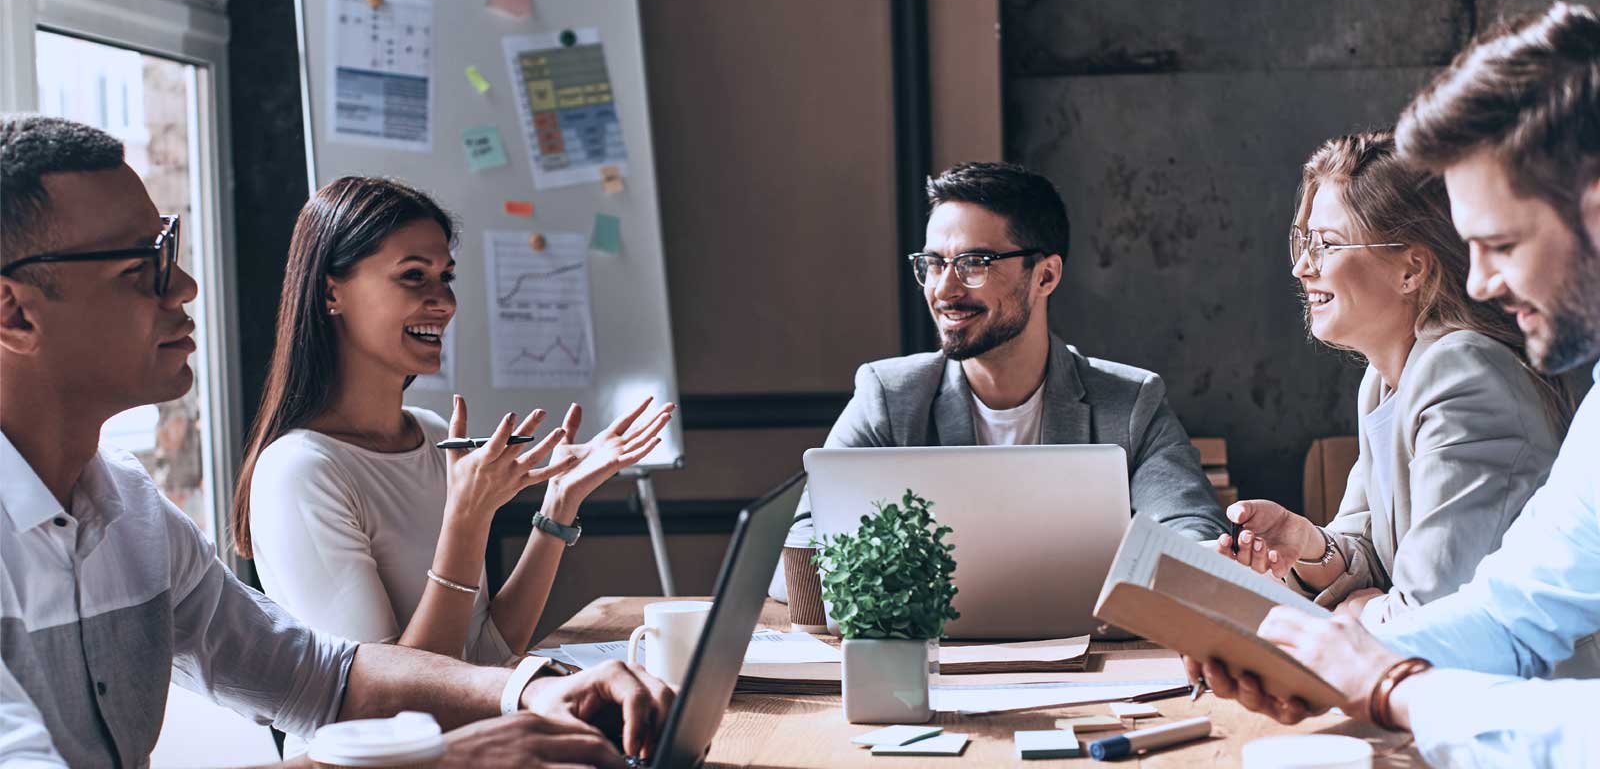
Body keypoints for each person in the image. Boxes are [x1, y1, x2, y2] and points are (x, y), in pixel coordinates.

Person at [0, 114, 671, 768]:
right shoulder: (296, 467)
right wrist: (436, 754)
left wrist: (533, 690)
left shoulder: (133, 512)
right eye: (141, 265)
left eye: (169, 248)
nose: (185, 285)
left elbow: (322, 679)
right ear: (14, 312)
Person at [1189, 2, 1600, 767]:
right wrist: (1305, 654)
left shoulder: (1461, 366)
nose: (1478, 281)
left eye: (1502, 243)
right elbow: (1511, 614)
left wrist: (1382, 675)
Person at [233, 177, 671, 686]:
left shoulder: (432, 432)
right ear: (333, 291)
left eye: (446, 277)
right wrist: (466, 519)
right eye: (413, 276)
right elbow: (392, 700)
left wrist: (559, 505)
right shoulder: (299, 471)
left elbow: (484, 653)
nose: (444, 302)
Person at [773, 161, 1228, 600]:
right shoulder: (889, 398)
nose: (944, 289)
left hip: (1093, 661)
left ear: (1045, 275)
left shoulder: (1130, 403)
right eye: (934, 263)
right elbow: (797, 557)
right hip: (935, 665)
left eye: (974, 263)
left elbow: (1196, 537)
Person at [1216, 131, 1567, 626]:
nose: (1301, 268)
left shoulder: (1464, 376)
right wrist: (1306, 544)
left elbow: (1432, 613)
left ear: (1412, 269)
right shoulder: (1386, 381)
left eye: (1327, 246)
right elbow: (1370, 551)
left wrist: (1359, 610)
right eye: (1303, 243)